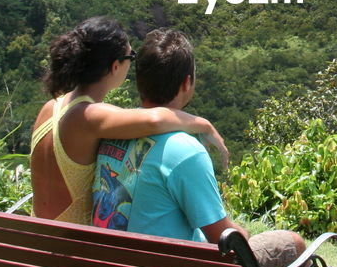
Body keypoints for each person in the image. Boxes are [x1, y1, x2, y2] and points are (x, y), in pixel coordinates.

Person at [93, 28, 337, 267]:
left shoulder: (112, 135)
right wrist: (241, 234)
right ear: (187, 83)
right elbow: (224, 240)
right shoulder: (183, 150)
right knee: (291, 243)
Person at [30, 16, 228, 225]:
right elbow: (154, 119)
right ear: (116, 66)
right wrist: (204, 125)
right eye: (130, 57)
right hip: (69, 248)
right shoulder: (88, 116)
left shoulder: (51, 107)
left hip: (37, 240)